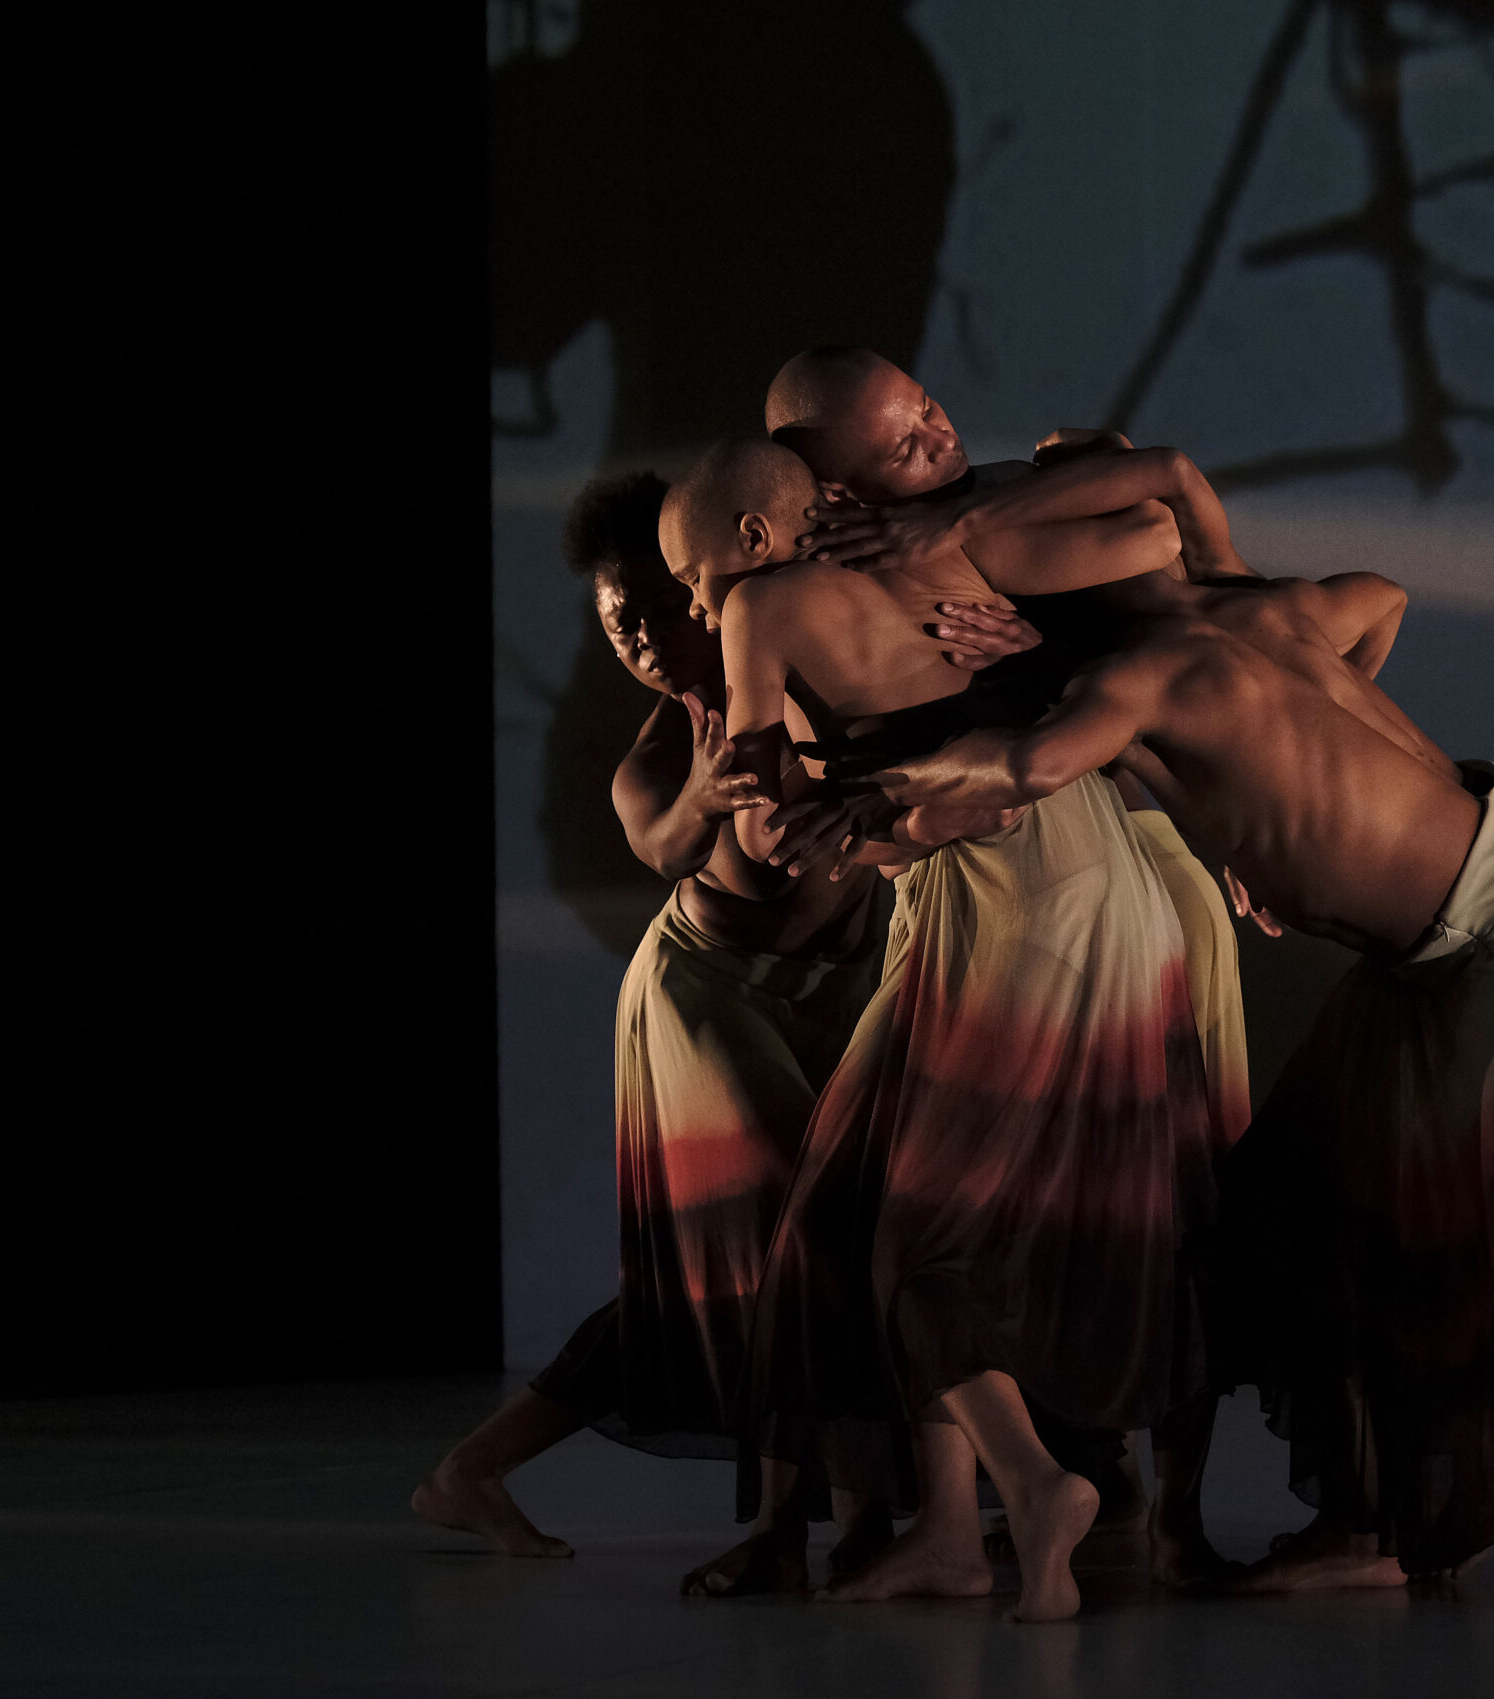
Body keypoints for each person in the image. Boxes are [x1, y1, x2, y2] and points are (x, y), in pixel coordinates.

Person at [852, 448, 1494, 1630]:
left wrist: (857, 781)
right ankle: (1370, 1525)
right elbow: (1384, 594)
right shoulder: (1260, 604)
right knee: (1284, 1201)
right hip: (1426, 956)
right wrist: (1274, 822)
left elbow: (1021, 763)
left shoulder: (1141, 679)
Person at [413, 470, 1040, 1594]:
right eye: (620, 625)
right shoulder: (673, 743)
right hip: (708, 995)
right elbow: (654, 839)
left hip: (843, 975)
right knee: (788, 1244)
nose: (649, 639)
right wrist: (709, 794)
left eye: (662, 605)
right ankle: (811, 1524)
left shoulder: (819, 649)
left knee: (791, 1253)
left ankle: (485, 1468)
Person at [661, 435, 1223, 1621]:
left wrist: (752, 798)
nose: (691, 599)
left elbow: (764, 822)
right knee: (853, 1192)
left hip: (1021, 896)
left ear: (755, 540)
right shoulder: (953, 544)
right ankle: (956, 1526)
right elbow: (1157, 531)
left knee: (915, 1232)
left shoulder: (761, 603)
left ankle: (1038, 1488)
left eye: (690, 571)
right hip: (1054, 865)